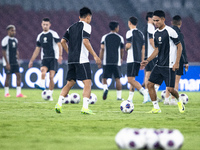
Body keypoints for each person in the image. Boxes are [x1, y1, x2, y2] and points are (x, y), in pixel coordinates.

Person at [55, 7, 101, 114]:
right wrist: (95, 55)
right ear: (88, 17)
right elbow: (85, 41)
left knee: (70, 83)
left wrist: (70, 52)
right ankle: (85, 108)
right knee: (88, 82)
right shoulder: (87, 26)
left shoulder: (70, 27)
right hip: (82, 59)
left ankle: (59, 104)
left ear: (79, 17)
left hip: (71, 60)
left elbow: (62, 42)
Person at [141, 10, 185, 114]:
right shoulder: (155, 33)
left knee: (170, 89)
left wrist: (177, 62)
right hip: (159, 64)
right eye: (154, 21)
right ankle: (156, 107)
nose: (155, 23)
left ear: (163, 19)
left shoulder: (170, 31)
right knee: (150, 85)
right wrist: (147, 60)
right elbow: (157, 49)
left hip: (170, 65)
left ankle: (179, 101)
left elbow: (179, 46)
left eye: (157, 21)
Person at [28, 18, 62, 101]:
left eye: (47, 24)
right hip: (45, 58)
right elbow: (37, 49)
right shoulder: (40, 36)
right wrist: (31, 60)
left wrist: (60, 55)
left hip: (53, 58)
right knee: (43, 71)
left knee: (51, 77)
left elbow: (59, 44)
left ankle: (50, 94)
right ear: (41, 25)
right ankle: (42, 85)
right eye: (44, 24)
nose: (45, 26)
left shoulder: (53, 34)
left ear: (50, 25)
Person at [164, 15, 189, 105]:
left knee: (169, 80)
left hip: (168, 59)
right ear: (180, 23)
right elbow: (182, 48)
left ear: (171, 22)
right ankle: (173, 100)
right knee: (176, 81)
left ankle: (166, 99)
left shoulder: (167, 32)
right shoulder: (179, 34)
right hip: (178, 59)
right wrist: (185, 61)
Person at [125, 16, 149, 103]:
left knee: (130, 80)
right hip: (138, 59)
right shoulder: (141, 34)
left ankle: (145, 92)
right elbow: (143, 48)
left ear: (129, 23)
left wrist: (126, 48)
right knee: (133, 79)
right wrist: (142, 61)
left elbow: (128, 45)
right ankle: (130, 99)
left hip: (131, 59)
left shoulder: (129, 32)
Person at [99, 21, 124, 100]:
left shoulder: (104, 37)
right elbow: (122, 50)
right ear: (116, 28)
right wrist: (121, 58)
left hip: (107, 61)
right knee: (117, 79)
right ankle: (119, 97)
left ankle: (105, 88)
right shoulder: (120, 38)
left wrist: (100, 59)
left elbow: (102, 48)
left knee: (104, 78)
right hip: (116, 62)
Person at [1, 25, 26, 98]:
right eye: (12, 30)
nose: (14, 32)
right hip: (8, 62)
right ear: (8, 31)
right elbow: (3, 52)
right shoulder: (5, 40)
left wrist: (18, 60)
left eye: (14, 30)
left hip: (14, 61)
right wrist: (7, 63)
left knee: (18, 75)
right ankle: (6, 93)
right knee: (8, 76)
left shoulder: (15, 40)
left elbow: (16, 51)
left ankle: (18, 93)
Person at [143, 12, 160, 93]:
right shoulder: (150, 27)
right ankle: (153, 93)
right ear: (150, 18)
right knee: (155, 74)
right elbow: (151, 40)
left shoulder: (146, 27)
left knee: (148, 74)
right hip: (152, 54)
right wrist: (157, 50)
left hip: (147, 54)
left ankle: (147, 94)